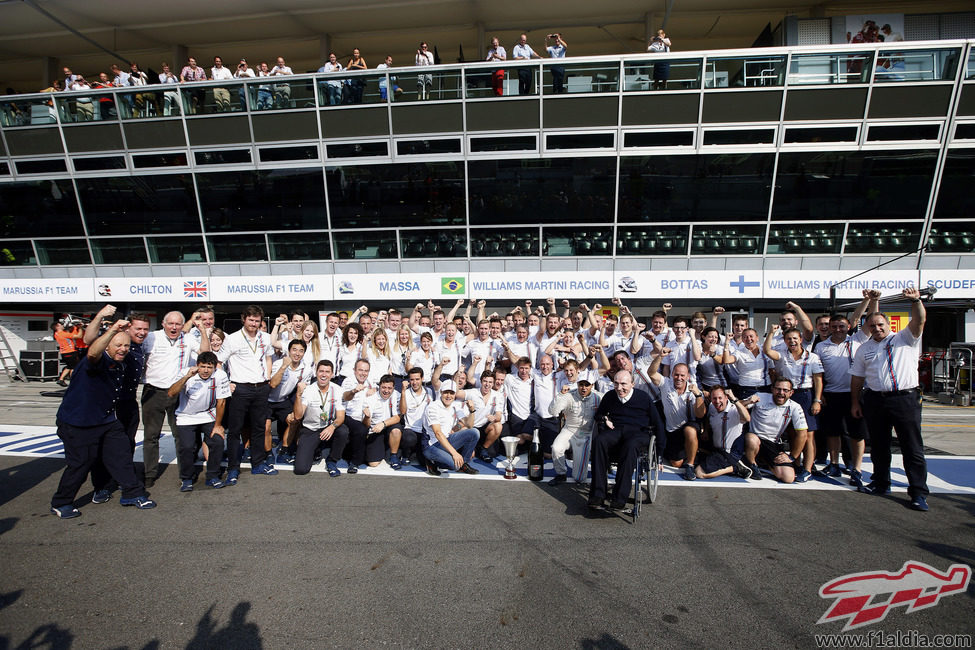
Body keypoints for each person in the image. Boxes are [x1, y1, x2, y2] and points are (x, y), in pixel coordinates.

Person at [49, 320, 155, 518]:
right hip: (78, 422)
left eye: (126, 345)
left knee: (122, 454)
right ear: (107, 345)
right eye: (118, 345)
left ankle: (132, 493)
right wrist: (112, 328)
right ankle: (61, 502)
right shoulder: (94, 361)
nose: (123, 349)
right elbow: (92, 351)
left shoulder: (120, 364)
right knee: (81, 463)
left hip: (106, 420)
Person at [850, 287, 929, 511]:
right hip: (875, 400)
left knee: (912, 447)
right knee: (879, 446)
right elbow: (857, 378)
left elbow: (919, 320)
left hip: (905, 399)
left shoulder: (905, 338)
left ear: (888, 324)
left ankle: (918, 492)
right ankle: (881, 483)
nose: (876, 328)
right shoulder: (864, 349)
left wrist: (916, 301)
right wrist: (856, 403)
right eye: (872, 325)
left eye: (880, 324)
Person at [216, 305, 276, 483]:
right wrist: (226, 383)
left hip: (261, 388)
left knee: (258, 428)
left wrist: (268, 377)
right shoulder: (233, 339)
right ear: (244, 319)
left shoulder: (265, 337)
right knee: (235, 430)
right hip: (240, 389)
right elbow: (219, 362)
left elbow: (268, 357)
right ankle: (233, 468)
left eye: (257, 321)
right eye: (251, 320)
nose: (254, 324)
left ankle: (258, 463)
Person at [141, 311, 198, 487]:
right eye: (170, 324)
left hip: (177, 391)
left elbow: (205, 351)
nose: (174, 327)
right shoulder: (151, 337)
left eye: (178, 324)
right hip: (153, 391)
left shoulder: (187, 339)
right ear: (163, 324)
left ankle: (185, 474)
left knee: (179, 435)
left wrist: (202, 330)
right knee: (151, 435)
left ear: (183, 325)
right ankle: (149, 473)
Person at [587, 370, 655, 513]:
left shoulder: (643, 398)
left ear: (632, 384)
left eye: (623, 384)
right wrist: (605, 419)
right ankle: (598, 494)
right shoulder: (610, 396)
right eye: (616, 384)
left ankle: (619, 498)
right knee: (599, 441)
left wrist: (659, 452)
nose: (619, 388)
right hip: (617, 430)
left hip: (639, 432)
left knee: (631, 446)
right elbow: (599, 414)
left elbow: (657, 423)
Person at [764, 326, 824, 482]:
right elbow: (767, 351)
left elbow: (818, 379)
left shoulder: (812, 357)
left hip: (805, 394)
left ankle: (807, 468)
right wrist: (771, 333)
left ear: (801, 339)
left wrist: (817, 400)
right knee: (792, 433)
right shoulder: (783, 356)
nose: (792, 341)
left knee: (808, 434)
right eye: (788, 339)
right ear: (784, 341)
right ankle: (795, 463)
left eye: (795, 338)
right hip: (788, 395)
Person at [167, 351, 231, 491]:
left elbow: (221, 402)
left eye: (209, 367)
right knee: (187, 447)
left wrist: (218, 425)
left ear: (214, 367)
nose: (206, 370)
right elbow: (171, 392)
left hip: (208, 415)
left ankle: (213, 476)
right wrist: (187, 376)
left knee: (217, 441)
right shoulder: (187, 373)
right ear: (197, 366)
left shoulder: (220, 375)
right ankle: (187, 478)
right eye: (202, 367)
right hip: (186, 416)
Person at [741, 378, 808, 483]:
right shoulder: (760, 396)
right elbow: (735, 406)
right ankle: (752, 465)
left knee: (788, 478)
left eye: (785, 390)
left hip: (773, 443)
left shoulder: (795, 407)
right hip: (755, 438)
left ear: (791, 393)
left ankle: (765, 464)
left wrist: (792, 457)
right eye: (778, 389)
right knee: (751, 438)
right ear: (772, 389)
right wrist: (748, 401)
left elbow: (803, 434)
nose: (781, 393)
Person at [292, 360, 347, 476]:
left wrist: (332, 427)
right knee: (301, 470)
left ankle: (332, 460)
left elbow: (341, 417)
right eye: (321, 371)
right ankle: (316, 449)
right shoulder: (309, 390)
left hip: (328, 427)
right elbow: (298, 416)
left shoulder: (337, 389)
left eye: (327, 372)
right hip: (310, 429)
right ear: (316, 373)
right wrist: (298, 395)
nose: (324, 374)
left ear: (332, 374)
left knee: (343, 431)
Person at [548, 379, 599, 485]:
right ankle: (561, 474)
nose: (584, 388)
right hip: (568, 430)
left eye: (587, 385)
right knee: (556, 448)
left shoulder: (598, 397)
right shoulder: (569, 395)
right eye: (581, 385)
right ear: (577, 385)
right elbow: (553, 411)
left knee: (579, 478)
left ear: (592, 385)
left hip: (585, 434)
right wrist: (560, 395)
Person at [420, 388, 479, 476]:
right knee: (455, 465)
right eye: (446, 392)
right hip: (431, 445)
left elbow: (469, 425)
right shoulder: (432, 407)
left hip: (446, 440)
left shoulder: (455, 406)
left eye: (451, 393)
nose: (448, 396)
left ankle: (463, 464)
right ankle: (431, 461)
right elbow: (438, 434)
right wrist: (455, 453)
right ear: (441, 393)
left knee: (474, 432)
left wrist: (472, 410)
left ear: (455, 394)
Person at [696, 386, 752, 479]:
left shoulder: (734, 410)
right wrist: (706, 430)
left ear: (726, 397)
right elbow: (708, 417)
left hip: (729, 453)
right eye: (714, 398)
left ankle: (734, 468)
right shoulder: (712, 406)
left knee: (699, 473)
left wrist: (734, 399)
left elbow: (747, 418)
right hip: (716, 449)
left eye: (720, 398)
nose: (717, 401)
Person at [363, 374, 409, 468]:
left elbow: (397, 417)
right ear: (379, 386)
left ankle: (394, 455)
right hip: (375, 429)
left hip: (389, 426)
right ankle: (384, 448)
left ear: (393, 388)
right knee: (373, 464)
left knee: (396, 430)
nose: (386, 391)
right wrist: (367, 418)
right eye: (383, 387)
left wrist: (383, 424)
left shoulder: (397, 395)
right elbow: (366, 424)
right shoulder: (371, 399)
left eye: (389, 388)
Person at [53, 320, 82, 386]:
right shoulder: (64, 334)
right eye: (61, 324)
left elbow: (71, 335)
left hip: (64, 353)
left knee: (69, 366)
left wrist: (74, 328)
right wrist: (80, 328)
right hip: (70, 352)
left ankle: (61, 379)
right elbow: (79, 336)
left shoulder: (56, 334)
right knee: (74, 367)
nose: (63, 325)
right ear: (57, 326)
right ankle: (74, 381)